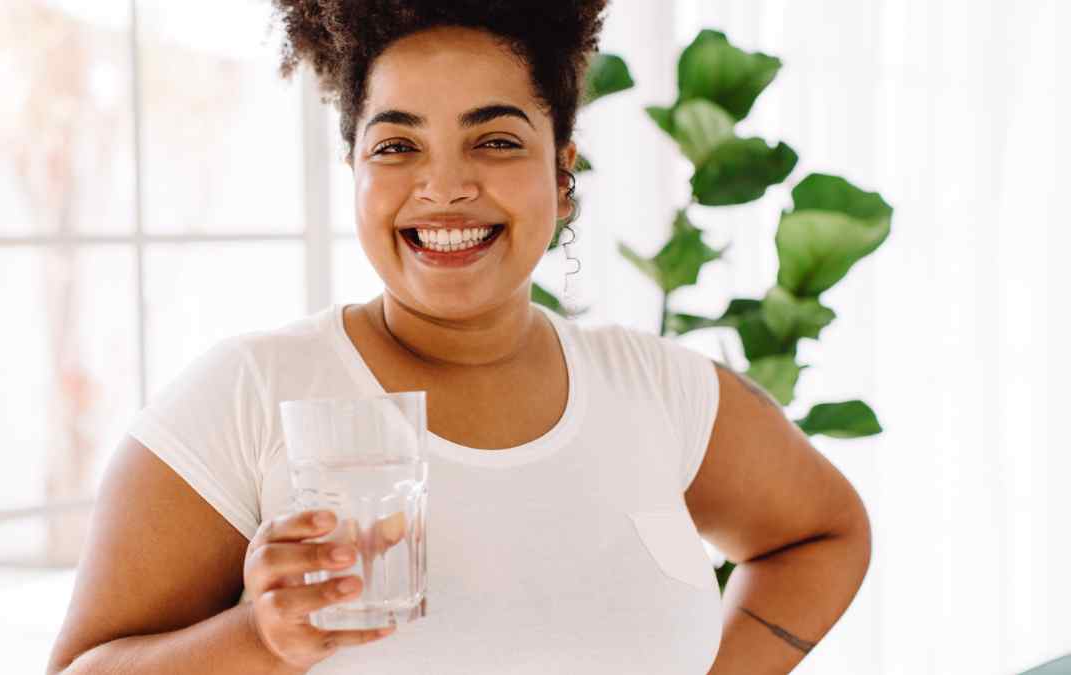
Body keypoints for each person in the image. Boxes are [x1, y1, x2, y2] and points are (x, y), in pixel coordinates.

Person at [47, 2, 872, 673]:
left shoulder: (656, 387)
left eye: (497, 140)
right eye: (397, 145)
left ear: (562, 172)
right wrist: (258, 640)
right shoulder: (253, 393)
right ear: (356, 174)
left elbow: (825, 535)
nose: (443, 186)